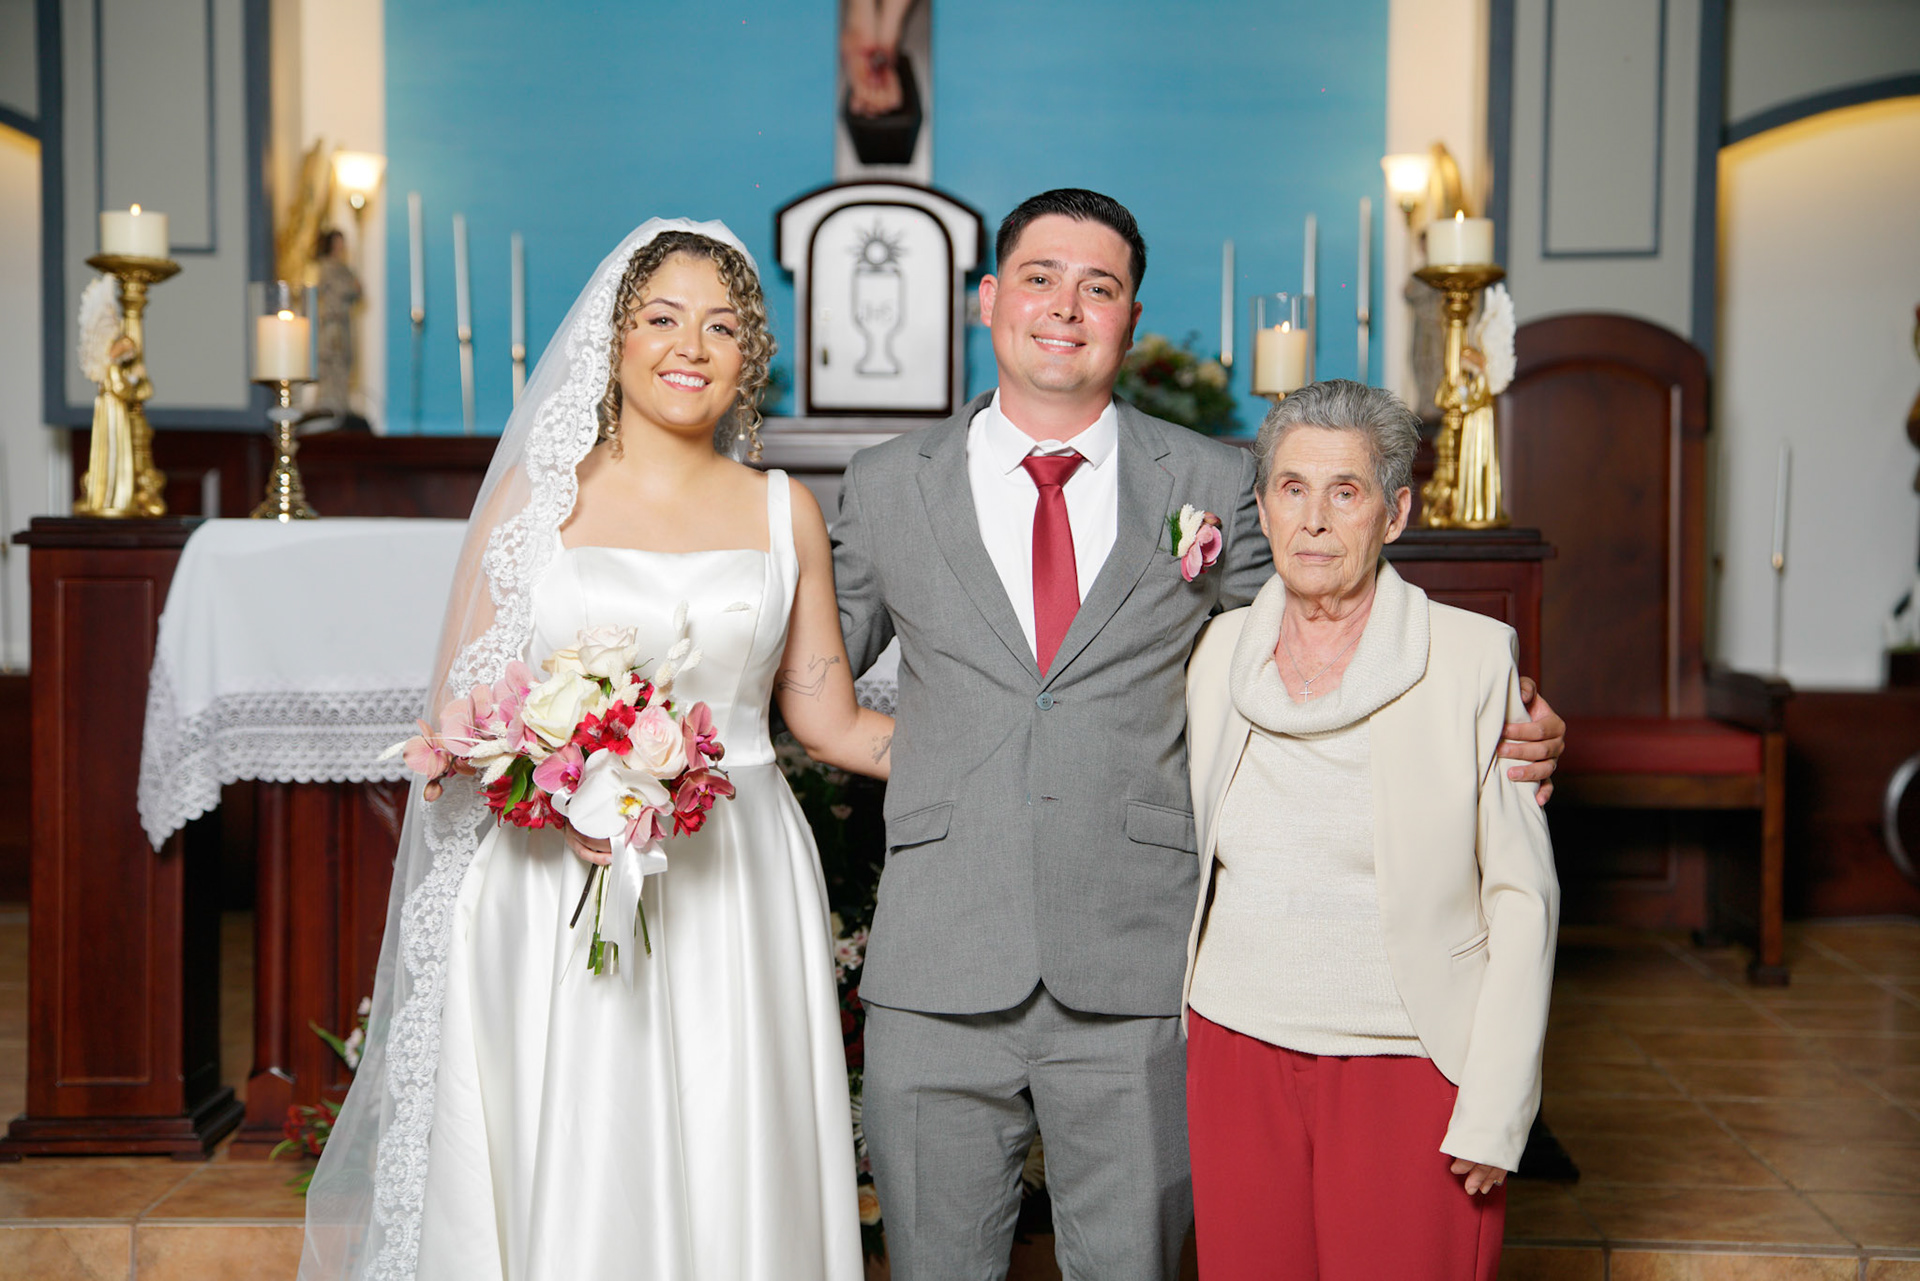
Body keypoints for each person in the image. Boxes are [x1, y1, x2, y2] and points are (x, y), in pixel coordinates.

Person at [829, 189, 1567, 1281]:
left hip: (1137, 967)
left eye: (1099, 287)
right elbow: (802, 668)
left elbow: (1331, 618)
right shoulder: (888, 483)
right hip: (939, 958)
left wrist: (1504, 707)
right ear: (988, 300)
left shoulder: (1217, 481)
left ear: (1130, 320)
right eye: (1040, 278)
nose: (1066, 306)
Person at [299, 219, 892, 1281]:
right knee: (584, 1149)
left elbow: (828, 719)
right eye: (662, 318)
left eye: (722, 327)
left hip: (739, 876)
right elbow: (461, 718)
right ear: (613, 340)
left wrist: (1013, 752)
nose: (691, 347)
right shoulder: (537, 504)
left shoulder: (785, 511)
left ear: (749, 356)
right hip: (554, 889)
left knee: (733, 1138)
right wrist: (556, 789)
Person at [1181, 380, 1558, 1280]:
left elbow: (1524, 899)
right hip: (1234, 1045)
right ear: (1263, 506)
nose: (1314, 519)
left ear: (1395, 513)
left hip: (1408, 1059)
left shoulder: (1471, 657)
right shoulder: (1215, 652)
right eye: (1292, 488)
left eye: (1344, 491)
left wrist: (1498, 1104)